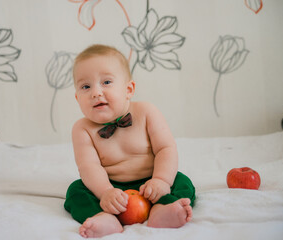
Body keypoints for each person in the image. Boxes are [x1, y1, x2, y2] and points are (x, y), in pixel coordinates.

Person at [64, 44, 195, 238]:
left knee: (182, 182)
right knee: (76, 191)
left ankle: (163, 208)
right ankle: (104, 217)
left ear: (129, 89)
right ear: (77, 98)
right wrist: (106, 192)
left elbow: (166, 149)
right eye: (86, 86)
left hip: (152, 183)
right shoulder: (82, 129)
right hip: (111, 188)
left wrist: (161, 180)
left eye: (106, 82)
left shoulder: (147, 112)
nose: (96, 92)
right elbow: (88, 167)